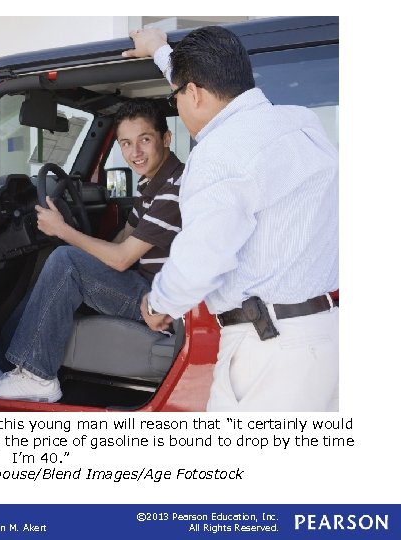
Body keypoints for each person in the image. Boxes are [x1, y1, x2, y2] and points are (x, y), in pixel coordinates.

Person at [124, 26, 339, 411]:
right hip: (323, 335)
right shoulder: (301, 123)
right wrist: (159, 50)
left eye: (176, 98)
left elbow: (199, 261)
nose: (178, 108)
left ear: (194, 93)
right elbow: (195, 83)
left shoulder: (218, 155)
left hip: (269, 353)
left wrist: (159, 306)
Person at [0, 99, 185, 402]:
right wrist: (86, 246)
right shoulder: (154, 185)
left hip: (156, 301)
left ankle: (37, 377)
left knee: (66, 262)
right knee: (60, 265)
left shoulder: (173, 191)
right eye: (126, 143)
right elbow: (124, 237)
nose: (135, 153)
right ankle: (1, 360)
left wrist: (64, 231)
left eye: (145, 140)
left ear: (166, 138)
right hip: (146, 282)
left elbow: (121, 259)